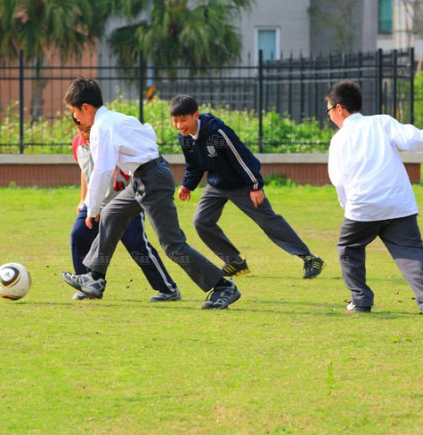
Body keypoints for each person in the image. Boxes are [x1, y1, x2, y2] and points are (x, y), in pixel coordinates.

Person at [60, 77, 243, 310]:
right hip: (146, 175)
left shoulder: (101, 128)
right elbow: (148, 134)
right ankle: (95, 277)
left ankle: (222, 286)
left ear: (86, 107)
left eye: (74, 111)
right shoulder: (117, 118)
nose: (75, 117)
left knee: (173, 245)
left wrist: (92, 208)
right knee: (112, 214)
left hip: (151, 180)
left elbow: (102, 170)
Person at [324, 79, 423, 316]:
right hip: (398, 204)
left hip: (363, 206)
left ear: (339, 108)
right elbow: (414, 140)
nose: (329, 116)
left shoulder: (339, 139)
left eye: (329, 110)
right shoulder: (382, 122)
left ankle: (360, 301)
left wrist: (347, 205)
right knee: (412, 251)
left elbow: (338, 179)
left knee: (348, 248)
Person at [170, 94, 325, 280]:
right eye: (175, 121)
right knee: (201, 221)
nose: (179, 125)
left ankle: (310, 258)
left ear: (196, 115)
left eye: (183, 120)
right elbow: (194, 165)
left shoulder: (218, 133)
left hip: (242, 184)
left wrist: (255, 186)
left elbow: (242, 158)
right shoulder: (185, 138)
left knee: (268, 221)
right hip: (216, 184)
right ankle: (234, 261)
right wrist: (187, 185)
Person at [69, 119, 180, 302]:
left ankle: (168, 289)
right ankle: (87, 284)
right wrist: (83, 199)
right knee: (79, 235)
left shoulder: (107, 137)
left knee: (137, 246)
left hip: (124, 201)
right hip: (94, 202)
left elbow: (130, 164)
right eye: (82, 130)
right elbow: (85, 170)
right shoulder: (77, 144)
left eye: (89, 129)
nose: (86, 134)